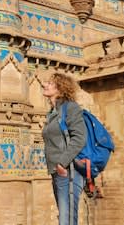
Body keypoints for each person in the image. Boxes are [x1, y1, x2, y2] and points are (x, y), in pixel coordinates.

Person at [42, 73, 87, 225]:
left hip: (69, 170)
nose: (44, 85)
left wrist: (62, 163)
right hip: (58, 172)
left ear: (60, 88)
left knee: (66, 219)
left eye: (50, 83)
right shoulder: (52, 113)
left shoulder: (70, 108)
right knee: (64, 217)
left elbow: (80, 137)